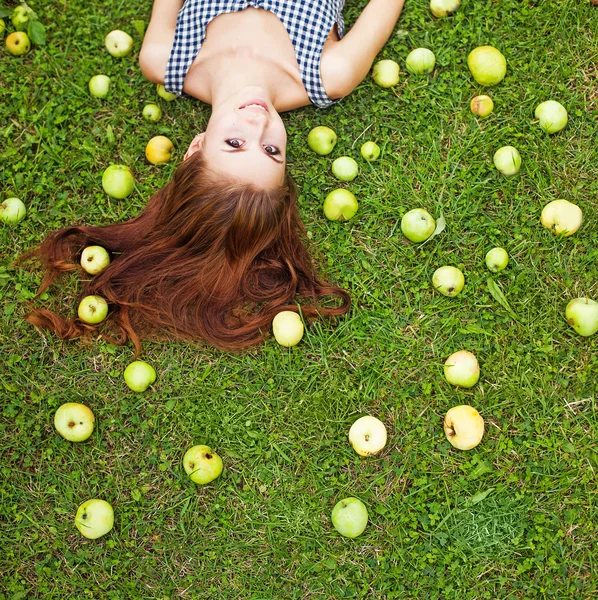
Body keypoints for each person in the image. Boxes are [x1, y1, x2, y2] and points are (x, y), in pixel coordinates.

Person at [24, 0, 405, 353]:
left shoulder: (164, 59)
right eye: (272, 151)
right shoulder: (327, 73)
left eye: (235, 142)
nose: (258, 123)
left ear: (195, 148)